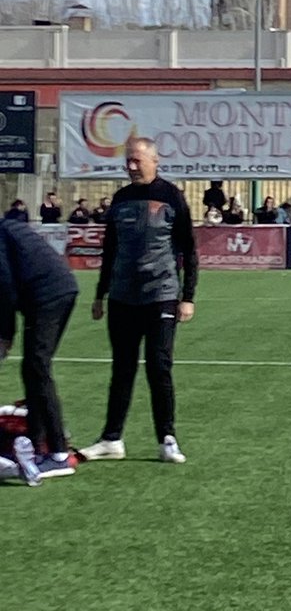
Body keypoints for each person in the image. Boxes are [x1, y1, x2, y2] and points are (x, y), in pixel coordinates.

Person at [79, 135, 198, 466]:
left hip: (161, 296)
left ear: (154, 161)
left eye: (137, 160)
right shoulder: (120, 199)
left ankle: (167, 439)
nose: (131, 166)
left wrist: (187, 297)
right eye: (127, 161)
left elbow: (189, 249)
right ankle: (111, 439)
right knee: (122, 368)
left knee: (159, 368)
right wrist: (100, 294)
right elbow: (110, 251)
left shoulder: (171, 196)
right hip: (121, 298)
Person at [0, 211, 79, 479]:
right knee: (32, 369)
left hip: (48, 293)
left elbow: (5, 285)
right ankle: (36, 441)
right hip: (54, 290)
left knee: (37, 366)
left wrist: (5, 334)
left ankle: (58, 454)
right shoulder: (6, 228)